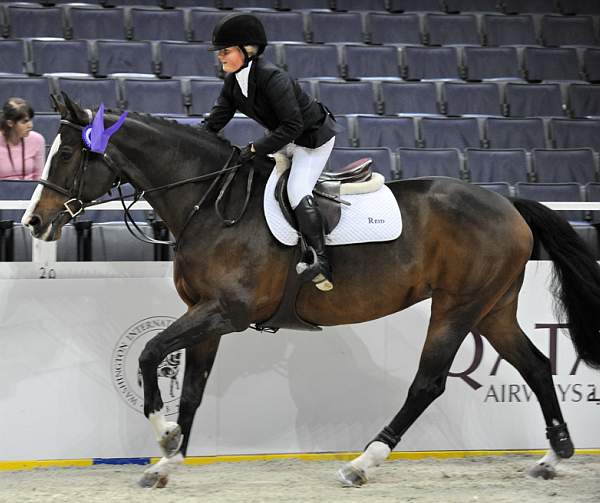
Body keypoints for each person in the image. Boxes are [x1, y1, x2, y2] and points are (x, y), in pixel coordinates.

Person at [204, 12, 340, 291]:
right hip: (285, 137)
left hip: (312, 139)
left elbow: (294, 125)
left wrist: (255, 148)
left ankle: (320, 261)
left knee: (296, 190)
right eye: (220, 51)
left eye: (226, 51)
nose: (220, 56)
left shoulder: (271, 77)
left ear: (248, 50)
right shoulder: (233, 83)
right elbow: (214, 123)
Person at [0, 98, 45, 180]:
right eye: (24, 122)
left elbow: (39, 177)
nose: (30, 125)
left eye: (30, 120)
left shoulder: (37, 140)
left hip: (30, 191)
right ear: (10, 123)